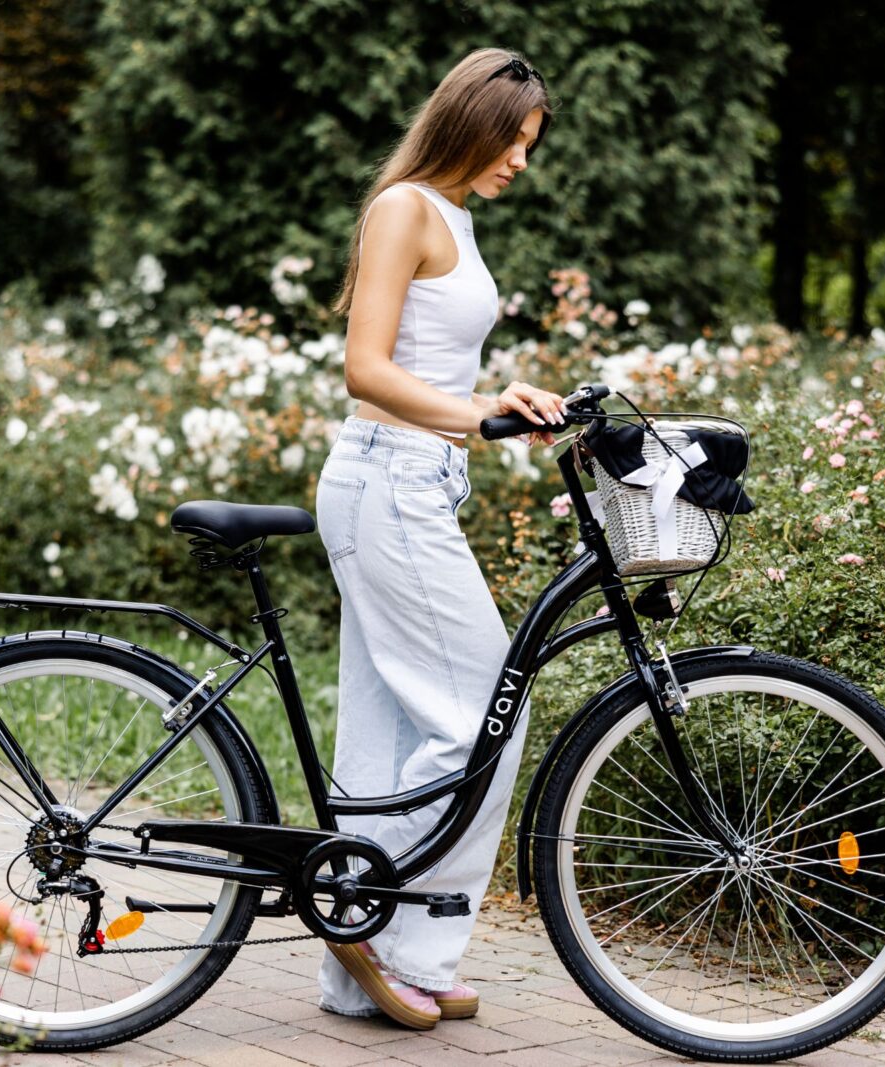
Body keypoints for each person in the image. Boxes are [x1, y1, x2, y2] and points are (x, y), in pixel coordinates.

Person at [313, 47, 566, 1030]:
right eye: (513, 140)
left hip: (416, 482)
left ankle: (362, 957)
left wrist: (501, 398)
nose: (520, 161)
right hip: (387, 480)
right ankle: (389, 935)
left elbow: (432, 361)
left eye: (529, 144)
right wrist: (478, 415)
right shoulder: (404, 208)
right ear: (469, 123)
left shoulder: (453, 215)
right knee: (481, 716)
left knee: (388, 735)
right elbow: (367, 369)